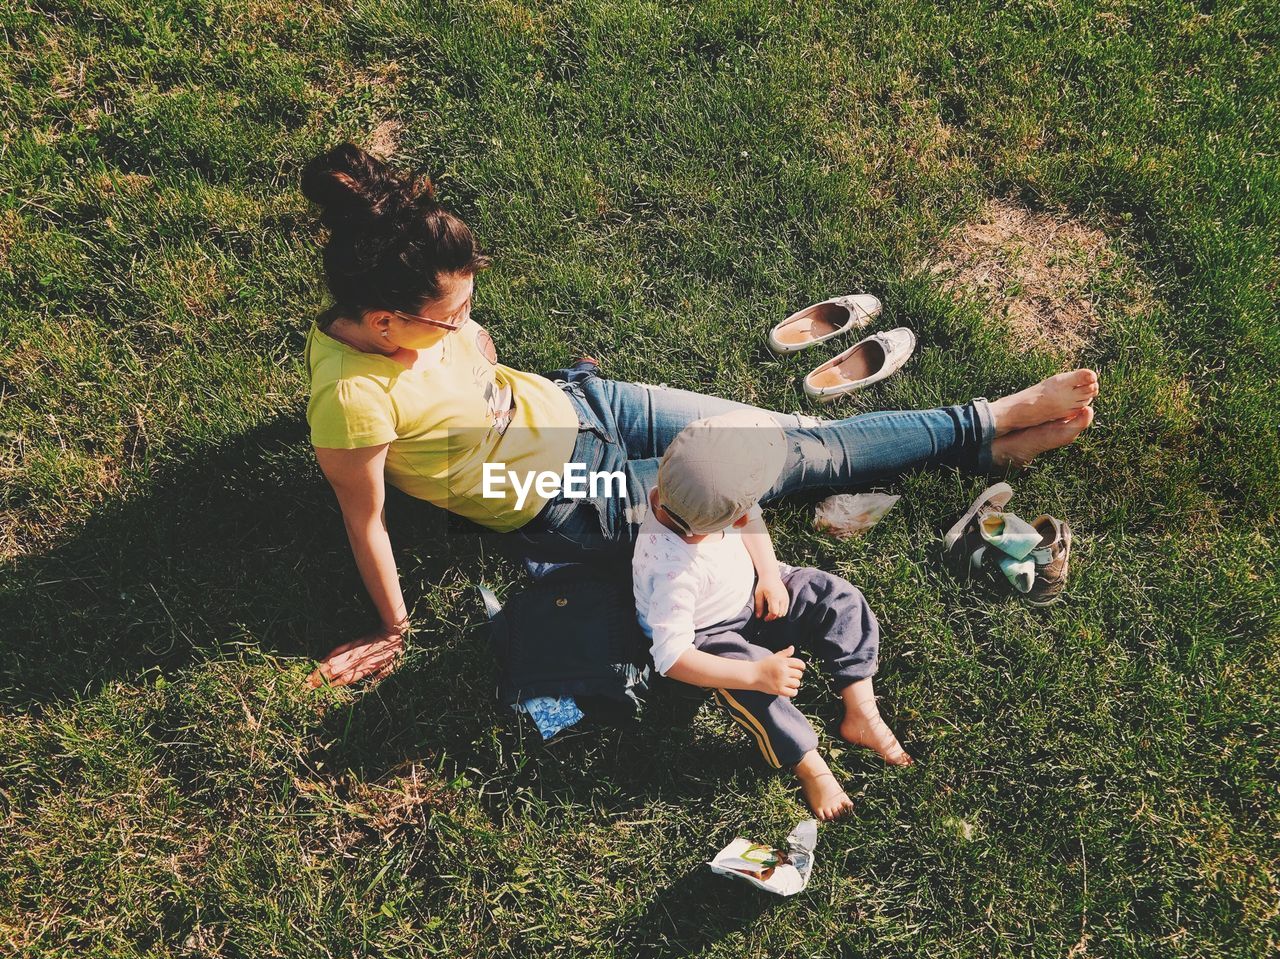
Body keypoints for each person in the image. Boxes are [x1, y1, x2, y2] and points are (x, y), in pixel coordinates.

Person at [300, 143, 1099, 688]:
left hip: (587, 404)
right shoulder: (353, 399)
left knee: (775, 432)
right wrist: (395, 629)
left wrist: (471, 343)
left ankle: (978, 453)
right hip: (568, 495)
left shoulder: (414, 316)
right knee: (795, 455)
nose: (466, 320)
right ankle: (983, 422)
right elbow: (363, 520)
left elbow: (474, 349)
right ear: (381, 323)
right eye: (451, 313)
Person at [633, 410, 912, 820]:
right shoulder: (671, 571)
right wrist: (754, 675)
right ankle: (809, 763)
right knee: (754, 691)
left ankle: (861, 708)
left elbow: (751, 520)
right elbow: (671, 658)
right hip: (708, 632)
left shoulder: (681, 493)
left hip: (754, 587)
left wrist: (768, 576)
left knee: (837, 597)